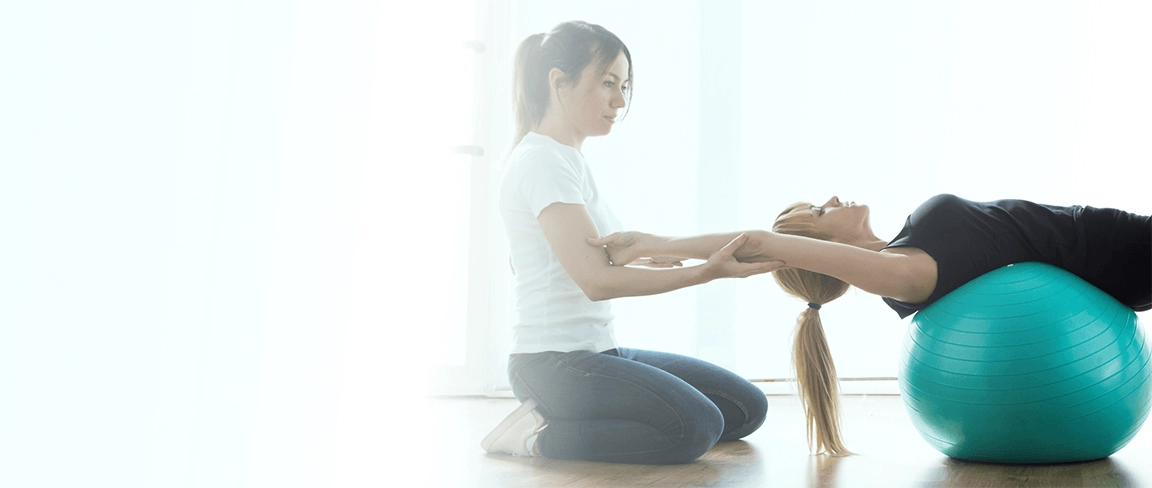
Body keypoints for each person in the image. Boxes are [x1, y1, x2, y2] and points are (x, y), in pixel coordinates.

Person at [590, 194, 1152, 455]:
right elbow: (759, 244)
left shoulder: (903, 248)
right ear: (814, 247)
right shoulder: (901, 275)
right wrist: (661, 244)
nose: (832, 198)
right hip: (1132, 254)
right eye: (819, 211)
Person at [479, 20, 783, 465]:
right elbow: (596, 281)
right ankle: (536, 437)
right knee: (696, 425)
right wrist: (707, 271)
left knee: (744, 408)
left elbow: (582, 254)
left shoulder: (567, 159)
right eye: (607, 83)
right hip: (551, 364)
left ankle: (573, 421)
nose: (620, 101)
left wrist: (646, 251)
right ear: (559, 83)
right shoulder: (543, 161)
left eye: (624, 86)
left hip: (598, 350)